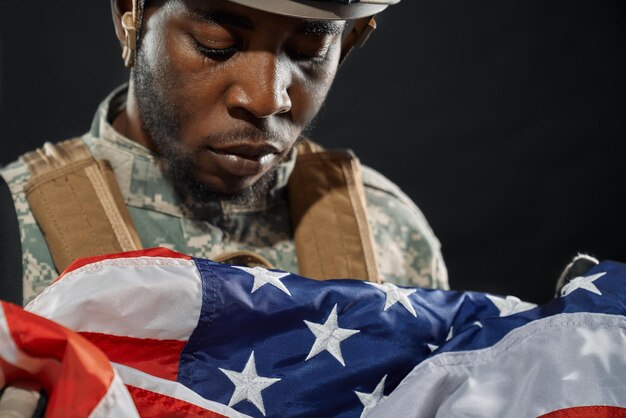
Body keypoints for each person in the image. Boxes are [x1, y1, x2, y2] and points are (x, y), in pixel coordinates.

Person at [0, 0, 448, 307]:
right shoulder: (15, 231)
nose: (267, 98)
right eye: (217, 41)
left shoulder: (387, 235)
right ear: (129, 15)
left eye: (310, 49)